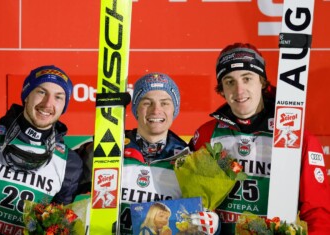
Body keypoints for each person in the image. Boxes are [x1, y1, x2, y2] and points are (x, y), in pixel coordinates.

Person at [189, 42, 330, 234]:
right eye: (230, 82)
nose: (239, 91)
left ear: (262, 82)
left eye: (247, 79)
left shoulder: (296, 138)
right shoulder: (206, 135)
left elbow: (319, 214)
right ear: (221, 89)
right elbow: (189, 204)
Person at [77, 72, 220, 235]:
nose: (156, 110)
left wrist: (213, 225)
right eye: (147, 102)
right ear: (136, 108)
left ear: (174, 109)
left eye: (165, 103)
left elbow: (199, 218)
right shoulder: (106, 147)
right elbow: (65, 187)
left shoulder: (189, 159)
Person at [0, 65, 83, 235]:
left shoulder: (70, 162)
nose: (48, 103)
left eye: (58, 97)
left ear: (64, 106)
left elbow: (56, 226)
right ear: (26, 96)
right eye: (41, 92)